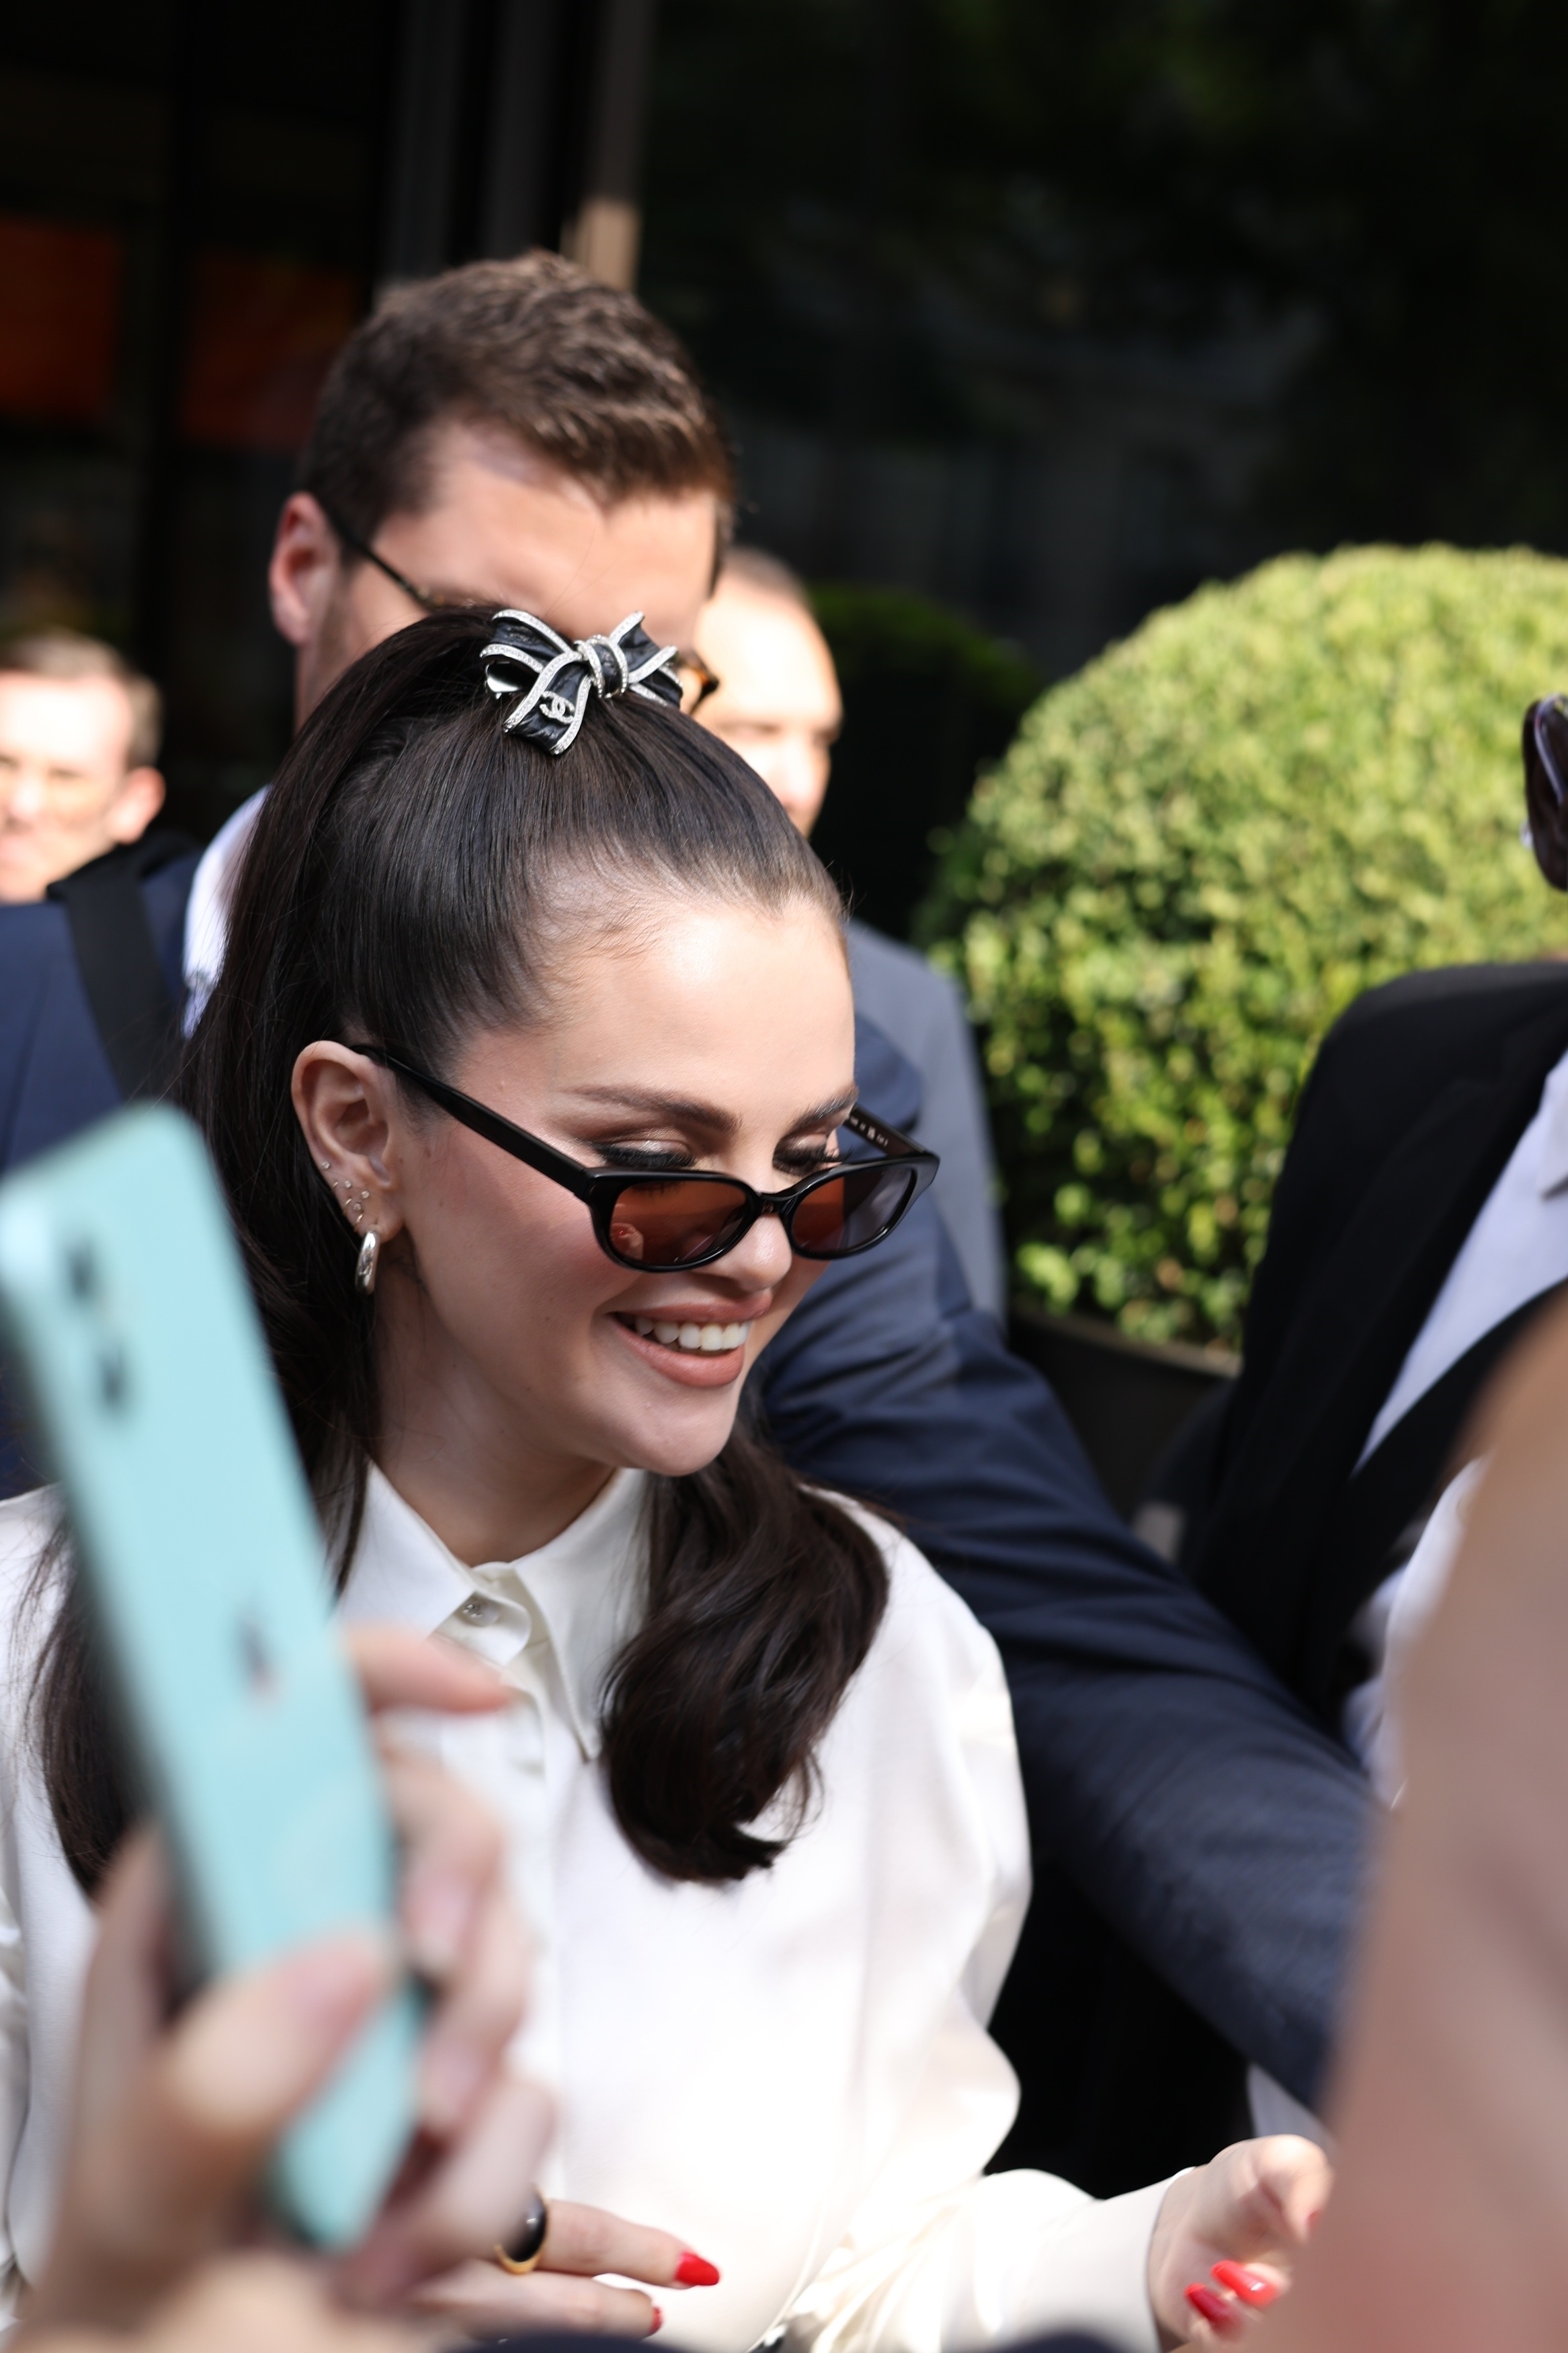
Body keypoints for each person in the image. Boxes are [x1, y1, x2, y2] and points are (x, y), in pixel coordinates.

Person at [169, 251, 1369, 2191]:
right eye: (494, 651)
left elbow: (1045, 1600)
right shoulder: (51, 1614)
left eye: (654, 678)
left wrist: (1433, 2040)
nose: (565, 738)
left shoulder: (881, 1669)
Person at [0, 610, 1328, 2351]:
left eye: (820, 1167)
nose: (760, 1255)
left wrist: (1142, 2261)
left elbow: (863, 2263)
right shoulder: (34, 1642)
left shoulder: (884, 1654)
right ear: (357, 1127)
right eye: (657, 1169)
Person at [694, 547, 1006, 1319]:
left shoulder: (905, 1006)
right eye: (755, 728)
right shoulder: (527, 965)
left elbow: (948, 1333)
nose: (800, 783)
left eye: (820, 740)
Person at [0, 633, 194, 1173]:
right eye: (3, 763)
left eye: (67, 778)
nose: (23, 805)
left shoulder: (168, 950)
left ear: (135, 803)